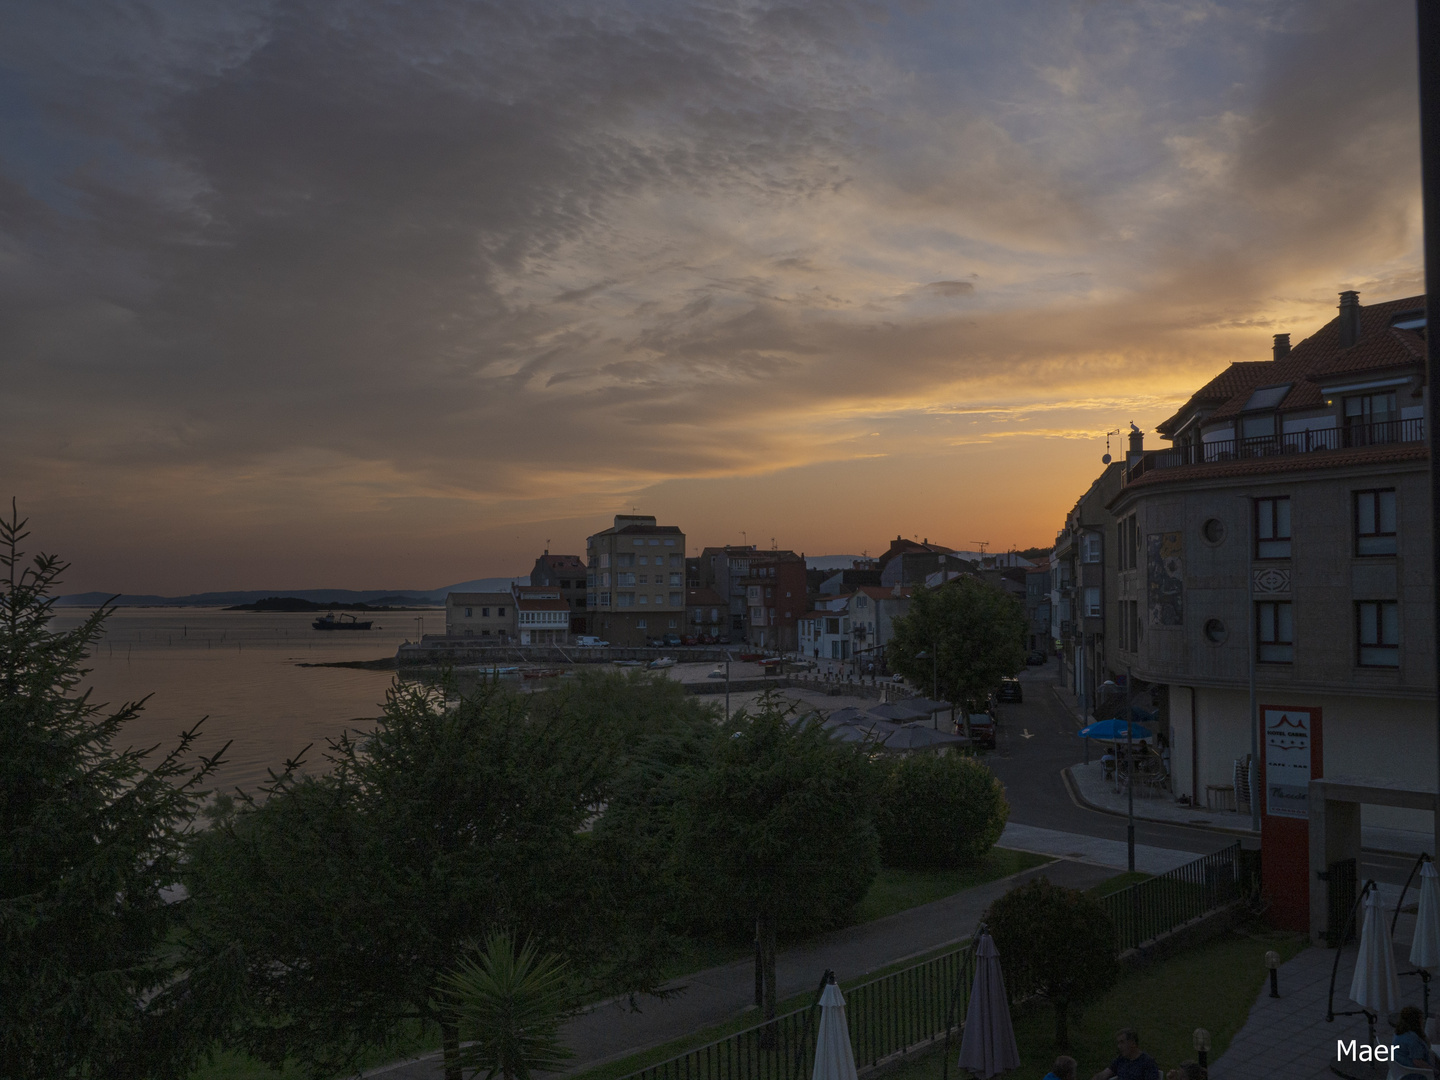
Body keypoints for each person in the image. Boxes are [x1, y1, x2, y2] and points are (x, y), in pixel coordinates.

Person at [1091, 1029, 1160, 1080]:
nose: (1119, 1046)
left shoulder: (1147, 1063)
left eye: (1122, 1042)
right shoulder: (1120, 1060)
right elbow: (1104, 1075)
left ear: (1132, 1043)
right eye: (1118, 1043)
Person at [1393, 1005, 1439, 1080]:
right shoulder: (1413, 1040)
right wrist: (1435, 1071)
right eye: (1421, 1019)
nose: (1423, 1021)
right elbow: (1418, 1062)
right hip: (1414, 1073)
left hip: (1400, 1070)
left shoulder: (1399, 1032)